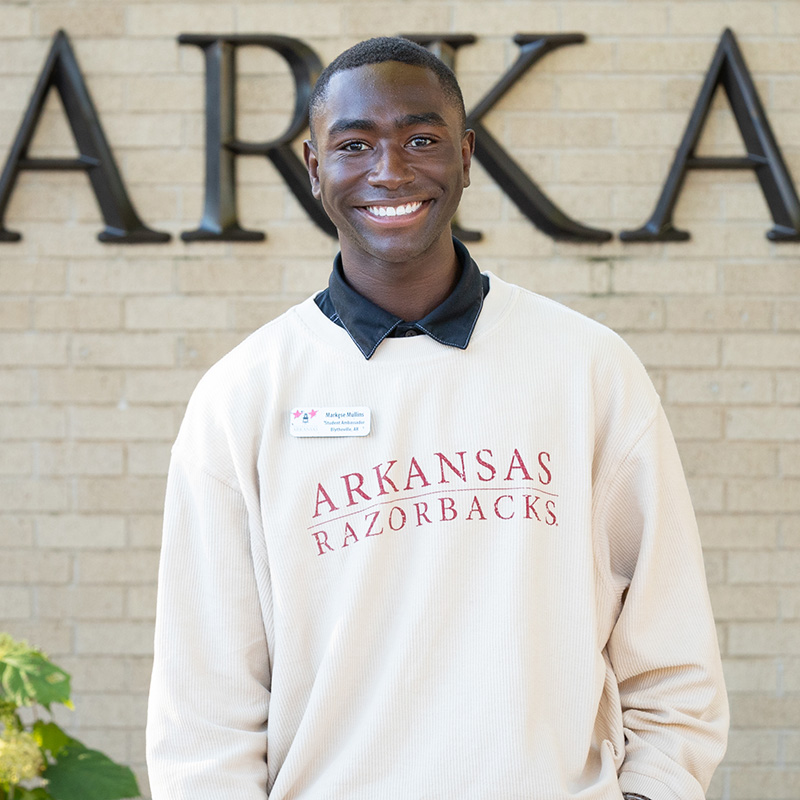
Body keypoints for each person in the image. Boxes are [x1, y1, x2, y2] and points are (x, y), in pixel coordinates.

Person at [146, 37, 728, 800]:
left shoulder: (587, 367)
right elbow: (204, 712)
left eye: (421, 140)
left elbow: (672, 650)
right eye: (355, 144)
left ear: (465, 155)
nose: (390, 170)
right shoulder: (243, 397)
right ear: (315, 167)